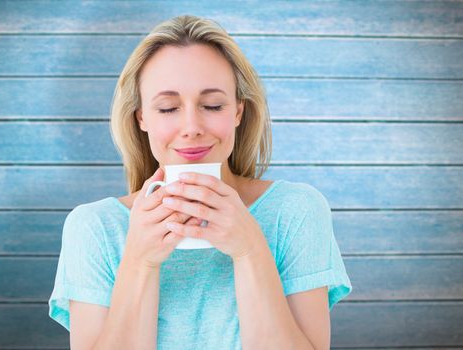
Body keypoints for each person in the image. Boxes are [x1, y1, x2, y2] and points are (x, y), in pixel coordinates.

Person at [48, 15, 352, 349]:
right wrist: (139, 260)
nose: (191, 126)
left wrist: (249, 249)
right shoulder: (94, 228)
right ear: (142, 118)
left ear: (238, 111)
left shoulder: (296, 211)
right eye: (167, 108)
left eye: (212, 105)